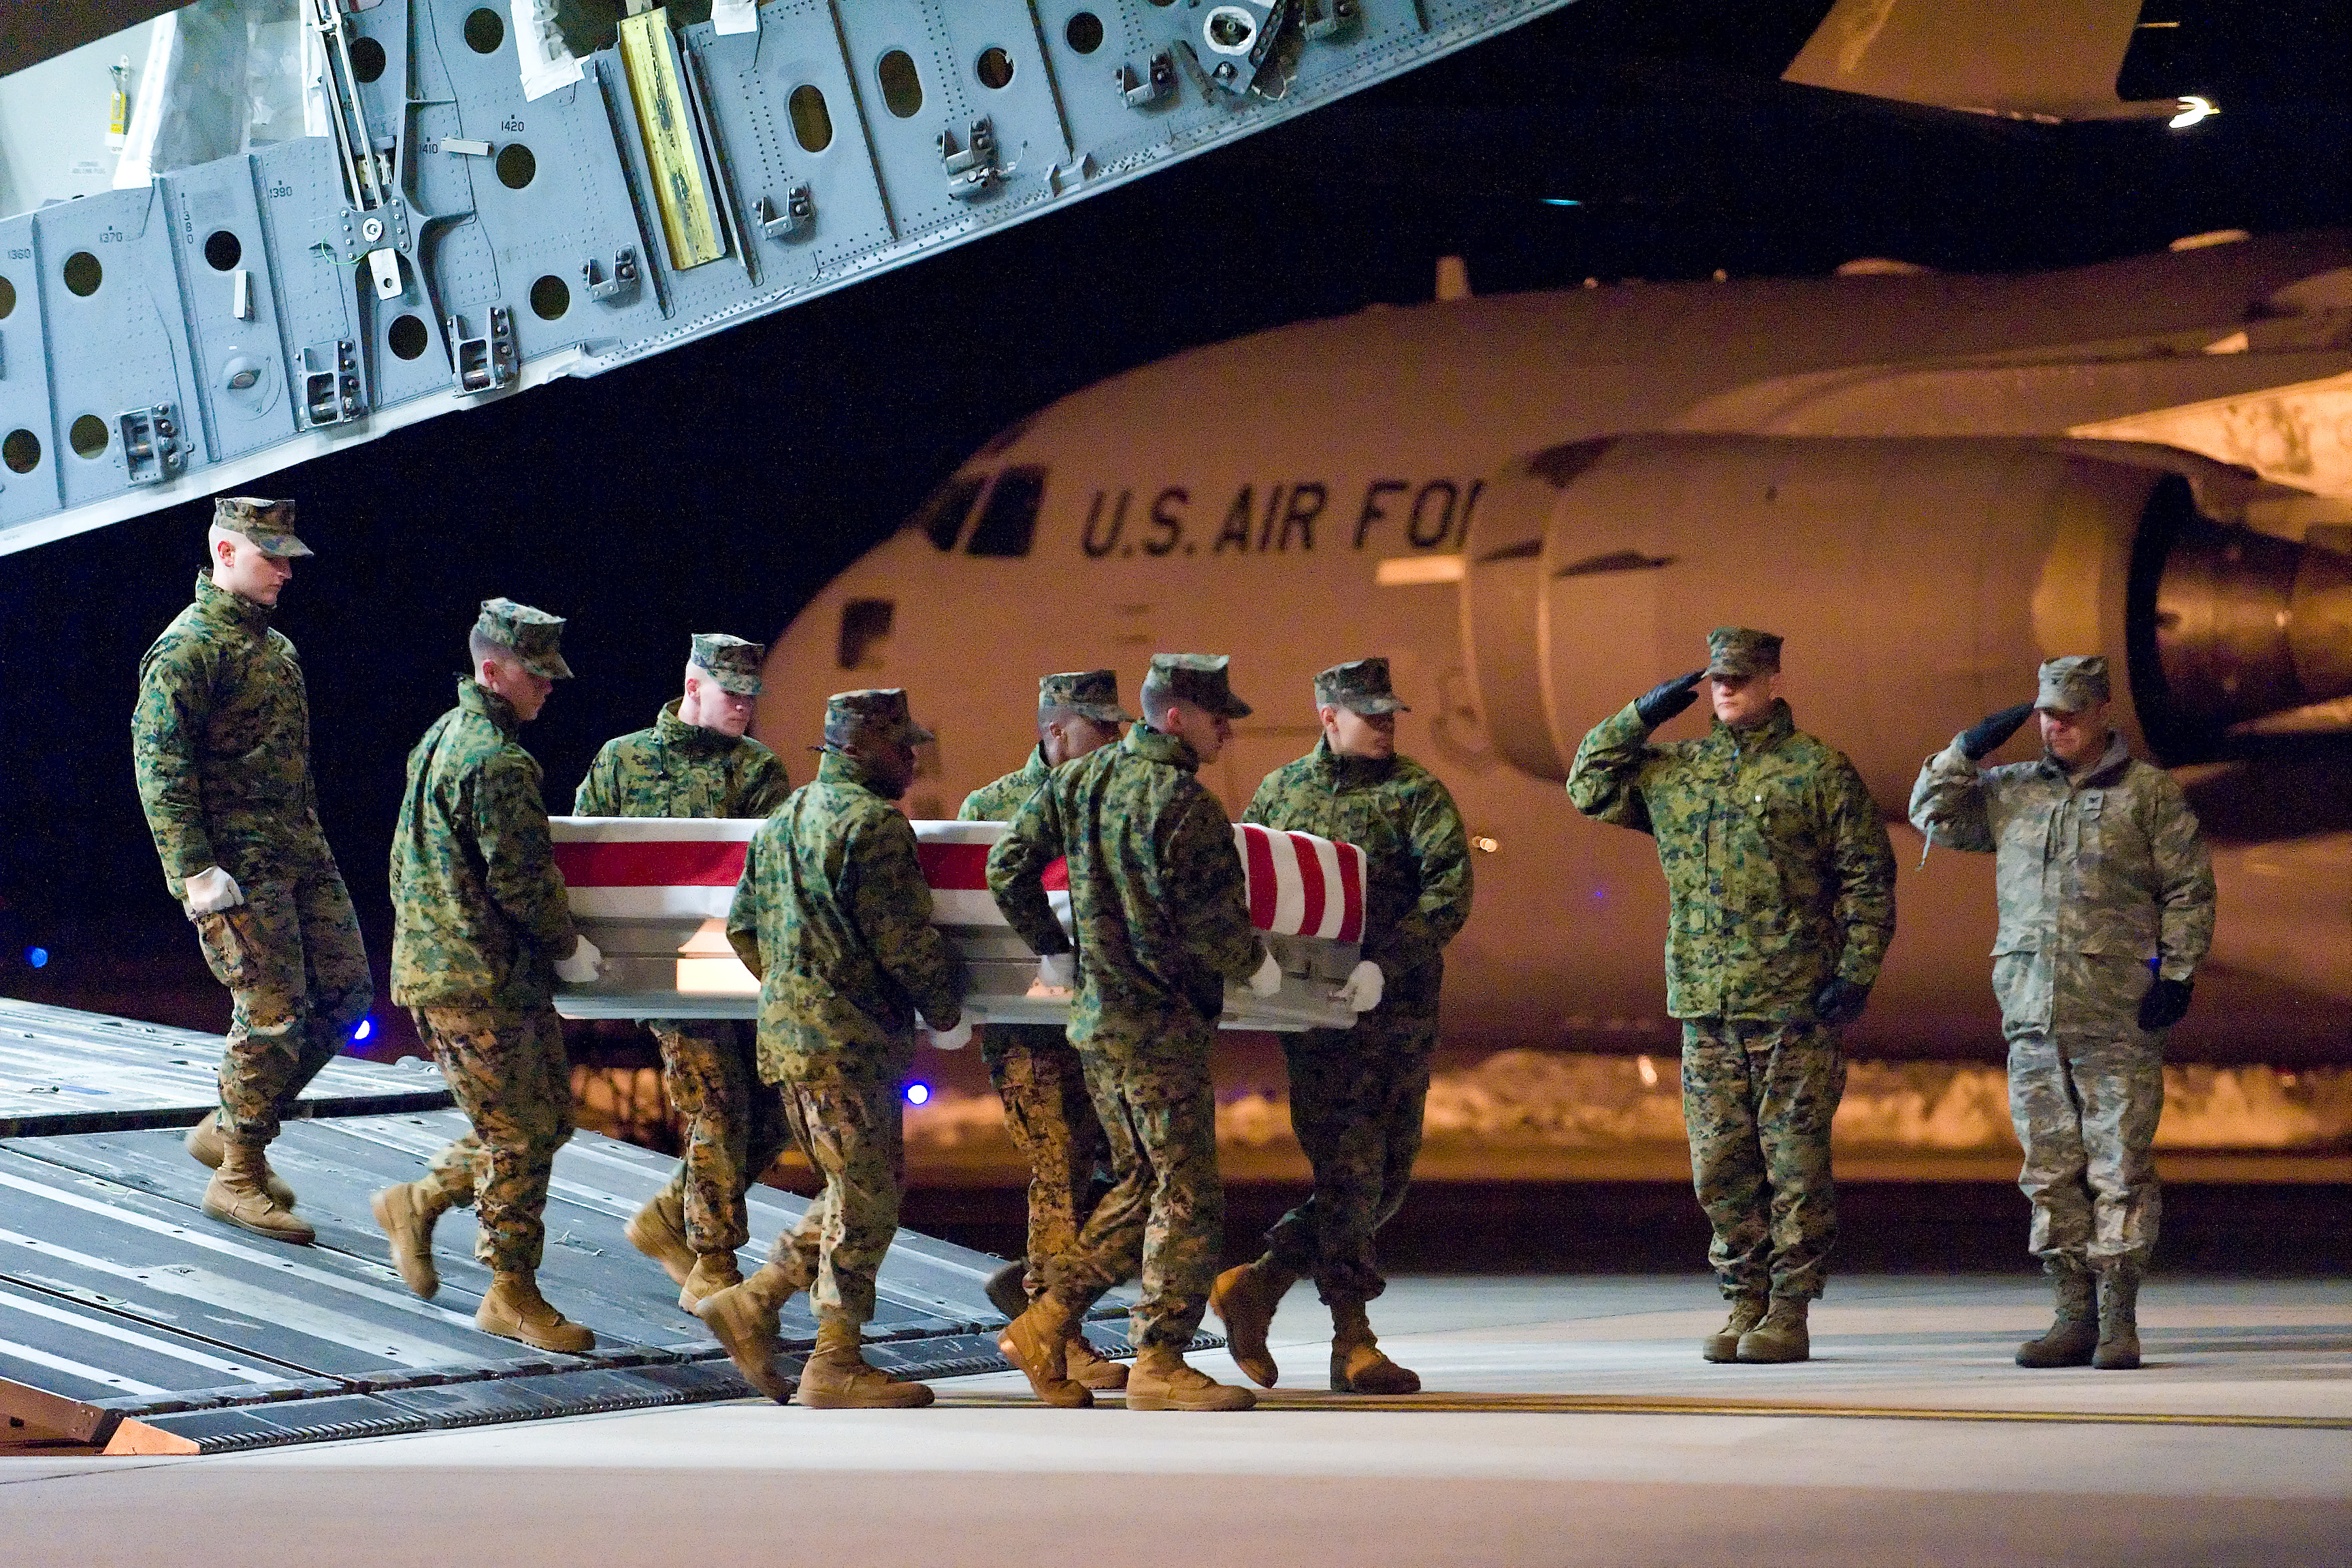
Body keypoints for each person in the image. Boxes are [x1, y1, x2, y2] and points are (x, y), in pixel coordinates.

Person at [1566, 627, 1895, 1364]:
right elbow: (1587, 785)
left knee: (1794, 1166)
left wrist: (1856, 971)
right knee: (1719, 1165)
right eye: (1717, 679)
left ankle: (1789, 1307)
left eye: (1741, 679)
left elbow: (1869, 879)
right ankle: (1743, 1299)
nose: (1727, 691)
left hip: (1792, 1005)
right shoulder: (1680, 771)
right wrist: (1638, 718)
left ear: (1774, 679)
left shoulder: (1817, 771)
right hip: (1706, 1004)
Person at [986, 654, 1282, 1412]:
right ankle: (1159, 1360)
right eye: (1219, 716)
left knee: (1141, 1185)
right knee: (1189, 1196)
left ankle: (1044, 1322)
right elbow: (1219, 928)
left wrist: (1052, 948)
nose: (1229, 729)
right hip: (1162, 1027)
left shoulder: (1080, 782)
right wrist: (1259, 966)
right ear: (1175, 716)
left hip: (1100, 1025)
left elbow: (1008, 866)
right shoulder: (1187, 805)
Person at [1909, 655, 2214, 1371]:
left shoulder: (2148, 797)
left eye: (2070, 717)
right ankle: (2070, 1314)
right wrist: (1963, 751)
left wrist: (2177, 971)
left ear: (2103, 713)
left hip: (2118, 1017)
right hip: (2033, 1015)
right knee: (2049, 1171)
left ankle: (2117, 1322)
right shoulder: (2013, 792)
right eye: (2047, 715)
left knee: (2118, 1167)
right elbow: (1932, 812)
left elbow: (2188, 889)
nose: (2055, 728)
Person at [694, 688, 970, 1409]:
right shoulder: (875, 826)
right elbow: (904, 941)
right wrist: (945, 1008)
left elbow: (742, 929)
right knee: (868, 1194)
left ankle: (755, 1304)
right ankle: (834, 1359)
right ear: (855, 750)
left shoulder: (781, 820)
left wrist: (793, 989)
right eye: (899, 747)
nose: (913, 759)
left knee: (857, 1187)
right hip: (849, 1039)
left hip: (789, 1037)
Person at [1214, 657, 1470, 1394]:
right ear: (1329, 717)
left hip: (1400, 1009)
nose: (1387, 725)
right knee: (1349, 1171)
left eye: (1391, 713)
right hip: (1320, 1020)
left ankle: (1260, 1282)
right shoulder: (1281, 793)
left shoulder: (1416, 793)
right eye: (1371, 714)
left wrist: (1388, 962)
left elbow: (1449, 892)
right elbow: (1257, 890)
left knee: (1388, 1177)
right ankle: (1352, 1340)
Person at [132, 497, 372, 1246]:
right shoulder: (188, 650)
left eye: (287, 558)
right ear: (224, 552)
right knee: (270, 1013)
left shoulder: (277, 651)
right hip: (237, 870)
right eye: (270, 557)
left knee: (343, 997)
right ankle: (237, 1175)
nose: (283, 572)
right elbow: (159, 766)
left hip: (299, 852)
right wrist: (195, 873)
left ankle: (229, 1127)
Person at [372, 598, 605, 1353]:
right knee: (519, 1136)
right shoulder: (498, 762)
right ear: (493, 669)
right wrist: (566, 944)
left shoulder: (443, 737)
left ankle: (420, 1199)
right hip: (481, 978)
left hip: (451, 970)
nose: (548, 687)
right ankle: (510, 1293)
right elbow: (523, 881)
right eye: (537, 675)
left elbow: (404, 861)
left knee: (545, 1122)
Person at [575, 633, 795, 1311]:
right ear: (693, 686)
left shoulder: (757, 769)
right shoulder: (622, 761)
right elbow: (586, 855)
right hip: (667, 975)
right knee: (718, 1106)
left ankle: (669, 1218)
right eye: (732, 695)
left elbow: (770, 873)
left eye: (752, 697)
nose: (744, 708)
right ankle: (712, 1259)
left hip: (742, 972)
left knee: (780, 1111)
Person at [958, 669, 1134, 1394]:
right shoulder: (994, 805)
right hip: (1029, 1027)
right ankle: (1053, 1340)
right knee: (1059, 1171)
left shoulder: (1117, 796)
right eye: (1104, 728)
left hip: (1105, 1022)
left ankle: (1040, 1295)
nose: (1119, 740)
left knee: (1115, 1178)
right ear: (1057, 730)